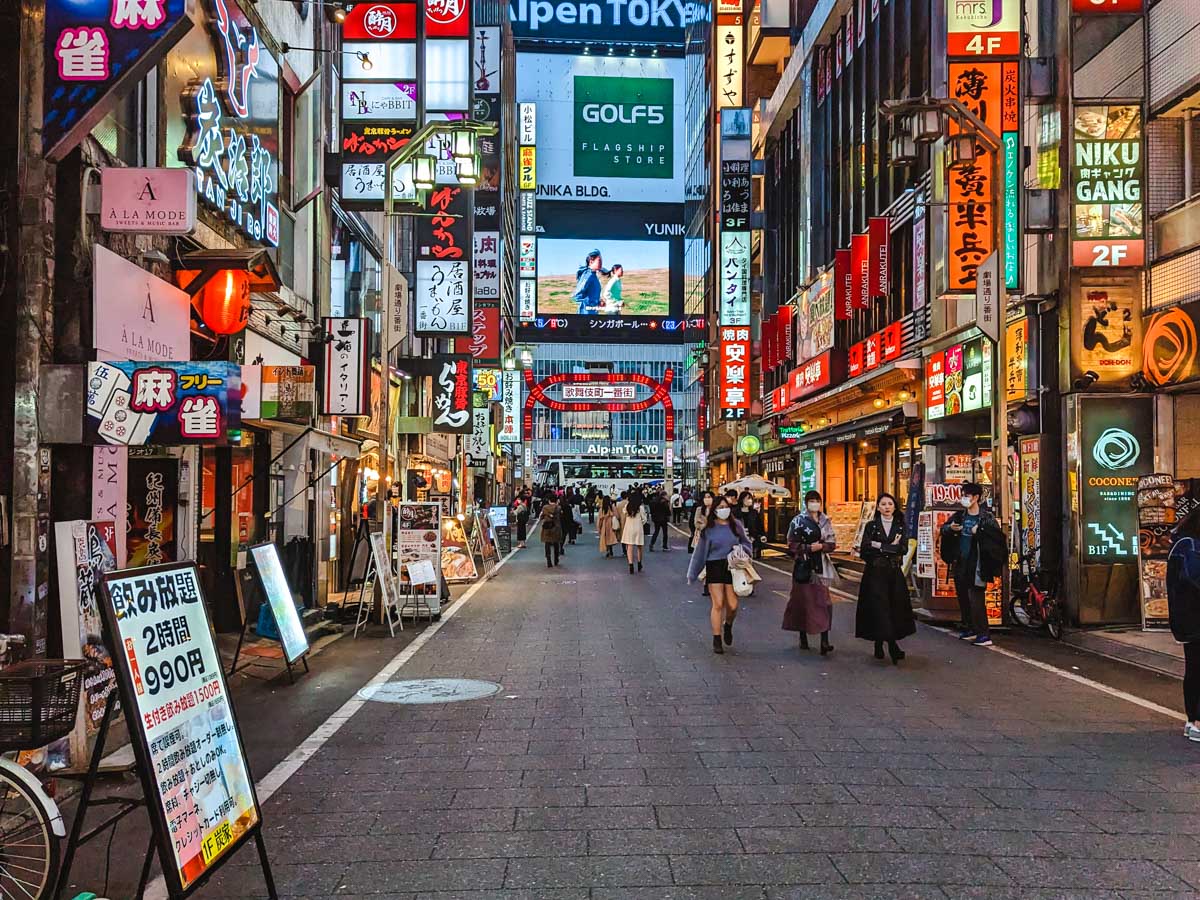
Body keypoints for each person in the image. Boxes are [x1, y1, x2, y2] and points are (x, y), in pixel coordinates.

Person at [940, 482, 1005, 647]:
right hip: (960, 560)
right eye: (963, 496)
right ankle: (970, 628)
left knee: (976, 596)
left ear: (976, 498)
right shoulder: (960, 516)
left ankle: (983, 634)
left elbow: (996, 538)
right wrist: (950, 529)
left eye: (967, 496)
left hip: (978, 563)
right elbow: (943, 529)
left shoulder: (986, 517)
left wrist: (980, 531)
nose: (964, 499)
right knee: (963, 595)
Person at [687, 496, 753, 654]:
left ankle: (728, 625)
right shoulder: (708, 529)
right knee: (717, 603)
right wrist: (693, 573)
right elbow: (700, 553)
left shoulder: (735, 525)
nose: (724, 509)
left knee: (733, 604)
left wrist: (742, 550)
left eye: (726, 506)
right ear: (715, 510)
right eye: (720, 507)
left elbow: (747, 543)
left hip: (732, 566)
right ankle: (717, 638)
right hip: (714, 565)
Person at [856, 493, 916, 664]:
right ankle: (890, 645)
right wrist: (888, 547)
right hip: (875, 572)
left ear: (895, 506)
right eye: (883, 504)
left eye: (890, 503)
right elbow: (865, 548)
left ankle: (882, 642)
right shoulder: (871, 526)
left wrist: (880, 546)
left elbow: (903, 549)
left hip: (894, 573)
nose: (887, 507)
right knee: (879, 607)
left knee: (893, 607)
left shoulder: (900, 526)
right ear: (878, 507)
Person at [783, 491, 838, 655]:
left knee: (825, 602)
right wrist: (807, 548)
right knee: (803, 602)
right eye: (811, 501)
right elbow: (791, 544)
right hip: (804, 566)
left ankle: (824, 640)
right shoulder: (799, 521)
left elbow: (832, 542)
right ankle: (803, 635)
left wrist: (822, 547)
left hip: (821, 566)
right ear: (806, 503)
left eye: (817, 500)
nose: (815, 503)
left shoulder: (825, 520)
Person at [1167, 506, 1200, 743]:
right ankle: (1196, 721)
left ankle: (1192, 721)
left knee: (1194, 667)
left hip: (1186, 617)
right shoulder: (1191, 546)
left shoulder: (1181, 542)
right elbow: (1193, 578)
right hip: (1194, 616)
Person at [622, 490, 648, 574]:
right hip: (638, 527)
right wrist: (641, 523)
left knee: (629, 546)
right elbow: (644, 519)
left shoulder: (627, 506)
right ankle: (639, 563)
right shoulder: (640, 507)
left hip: (629, 528)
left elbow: (624, 512)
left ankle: (630, 564)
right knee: (639, 546)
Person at [572, 250, 604, 315]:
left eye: (601, 261)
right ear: (591, 261)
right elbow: (576, 296)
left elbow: (591, 295)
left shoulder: (594, 275)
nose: (601, 263)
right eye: (599, 261)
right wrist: (590, 304)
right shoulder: (587, 275)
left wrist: (598, 302)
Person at [540, 496, 562, 567]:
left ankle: (548, 560)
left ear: (549, 500)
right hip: (556, 527)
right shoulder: (558, 508)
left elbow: (541, 517)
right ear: (556, 501)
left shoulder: (545, 508)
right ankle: (556, 559)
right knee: (556, 543)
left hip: (547, 527)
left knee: (547, 543)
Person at [690, 491, 714, 555]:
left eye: (709, 497)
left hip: (713, 535)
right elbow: (696, 523)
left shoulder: (716, 509)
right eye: (705, 497)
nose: (707, 499)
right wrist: (705, 525)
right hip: (701, 535)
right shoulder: (699, 509)